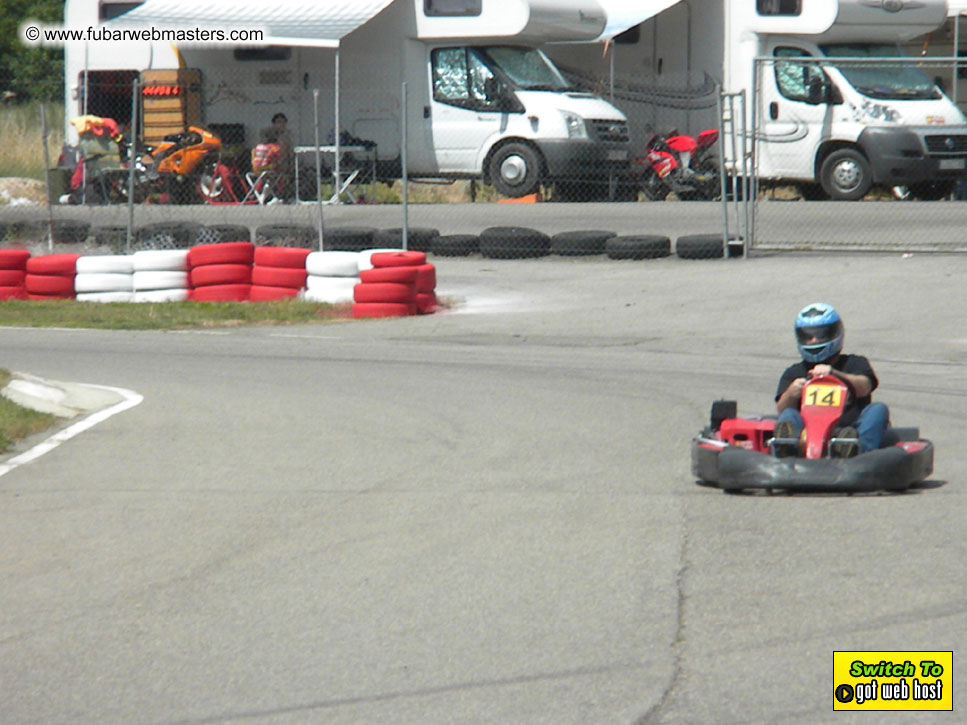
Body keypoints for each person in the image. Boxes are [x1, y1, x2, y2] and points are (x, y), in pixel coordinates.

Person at [774, 302, 889, 457]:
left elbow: (865, 387)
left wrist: (835, 374)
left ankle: (854, 450)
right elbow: (781, 410)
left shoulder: (854, 363)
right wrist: (791, 393)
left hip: (850, 430)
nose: (813, 340)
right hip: (807, 435)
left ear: (834, 333)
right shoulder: (794, 372)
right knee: (788, 414)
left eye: (820, 335)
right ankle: (787, 450)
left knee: (878, 409)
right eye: (807, 336)